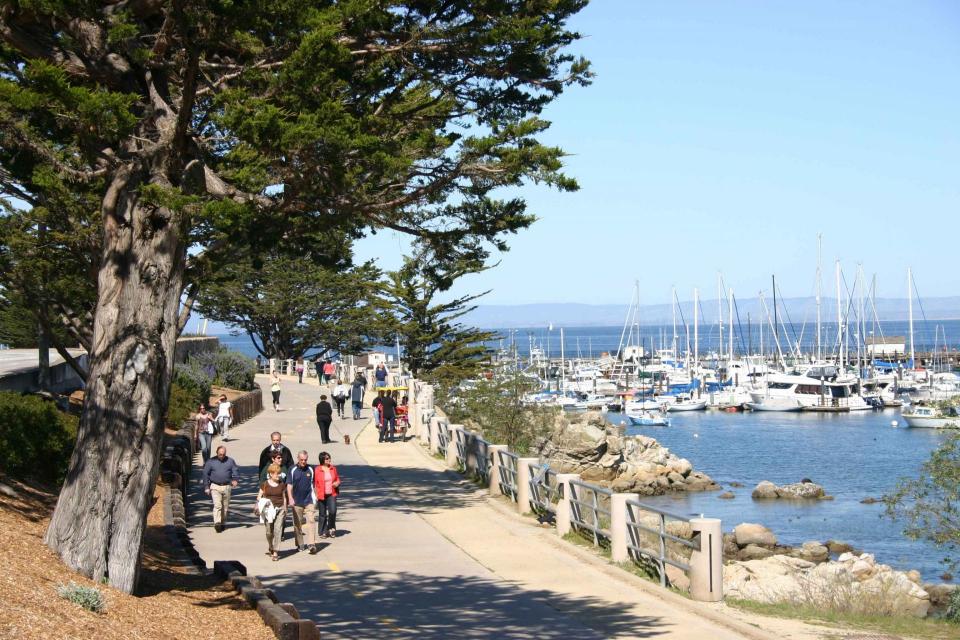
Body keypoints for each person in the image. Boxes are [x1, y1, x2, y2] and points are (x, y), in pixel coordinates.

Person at [254, 463, 287, 561]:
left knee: (278, 530)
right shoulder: (265, 484)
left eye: (279, 473)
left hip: (279, 509)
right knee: (269, 532)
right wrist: (258, 504)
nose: (278, 476)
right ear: (271, 474)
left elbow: (284, 498)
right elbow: (259, 496)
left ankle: (275, 551)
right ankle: (270, 546)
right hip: (268, 511)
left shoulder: (282, 484)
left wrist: (285, 508)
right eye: (277, 474)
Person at [202, 445, 239, 533]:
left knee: (225, 507)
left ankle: (222, 522)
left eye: (223, 454)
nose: (221, 456)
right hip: (215, 486)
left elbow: (235, 471)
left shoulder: (230, 461)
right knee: (217, 505)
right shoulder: (211, 462)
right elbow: (205, 474)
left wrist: (235, 480)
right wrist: (206, 487)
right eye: (220, 454)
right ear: (217, 453)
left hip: (227, 486)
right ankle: (217, 523)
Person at [287, 451, 318, 553]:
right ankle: (300, 544)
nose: (303, 462)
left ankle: (311, 544)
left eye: (305, 460)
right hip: (296, 501)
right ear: (298, 459)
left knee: (311, 521)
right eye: (301, 460)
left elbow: (314, 485)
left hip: (309, 500)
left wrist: (316, 497)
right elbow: (289, 486)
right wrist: (290, 498)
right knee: (297, 524)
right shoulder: (292, 469)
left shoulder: (311, 469)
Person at [313, 451, 340, 539]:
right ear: (322, 460)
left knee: (333, 511)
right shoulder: (317, 469)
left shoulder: (333, 468)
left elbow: (337, 479)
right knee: (322, 514)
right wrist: (315, 494)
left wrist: (337, 483)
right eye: (327, 458)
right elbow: (315, 483)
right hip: (321, 494)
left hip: (332, 493)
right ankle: (323, 531)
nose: (329, 460)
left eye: (329, 458)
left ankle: (331, 527)